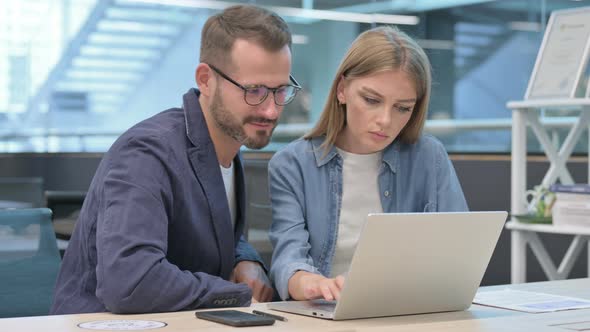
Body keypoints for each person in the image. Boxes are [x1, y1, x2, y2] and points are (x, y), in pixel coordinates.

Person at [51, 4, 301, 314]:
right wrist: (236, 292)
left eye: (280, 91)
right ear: (206, 80)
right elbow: (130, 283)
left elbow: (207, 232)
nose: (271, 110)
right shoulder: (147, 153)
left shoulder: (228, 144)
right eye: (254, 90)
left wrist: (243, 259)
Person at [268, 26, 468, 302]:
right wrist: (309, 283)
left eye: (403, 108)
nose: (386, 120)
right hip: (323, 313)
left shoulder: (429, 157)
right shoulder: (291, 164)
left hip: (408, 310)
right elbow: (288, 259)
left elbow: (460, 254)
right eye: (372, 100)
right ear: (342, 90)